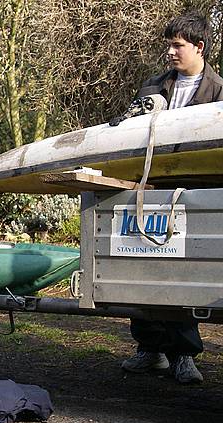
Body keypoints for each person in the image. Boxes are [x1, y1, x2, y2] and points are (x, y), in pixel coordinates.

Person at [120, 12, 223, 384]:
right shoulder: (153, 86)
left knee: (182, 275)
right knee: (140, 265)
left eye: (178, 45)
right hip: (149, 192)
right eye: (168, 44)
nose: (170, 51)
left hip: (195, 197)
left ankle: (183, 354)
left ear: (199, 47)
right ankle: (149, 349)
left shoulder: (218, 92)